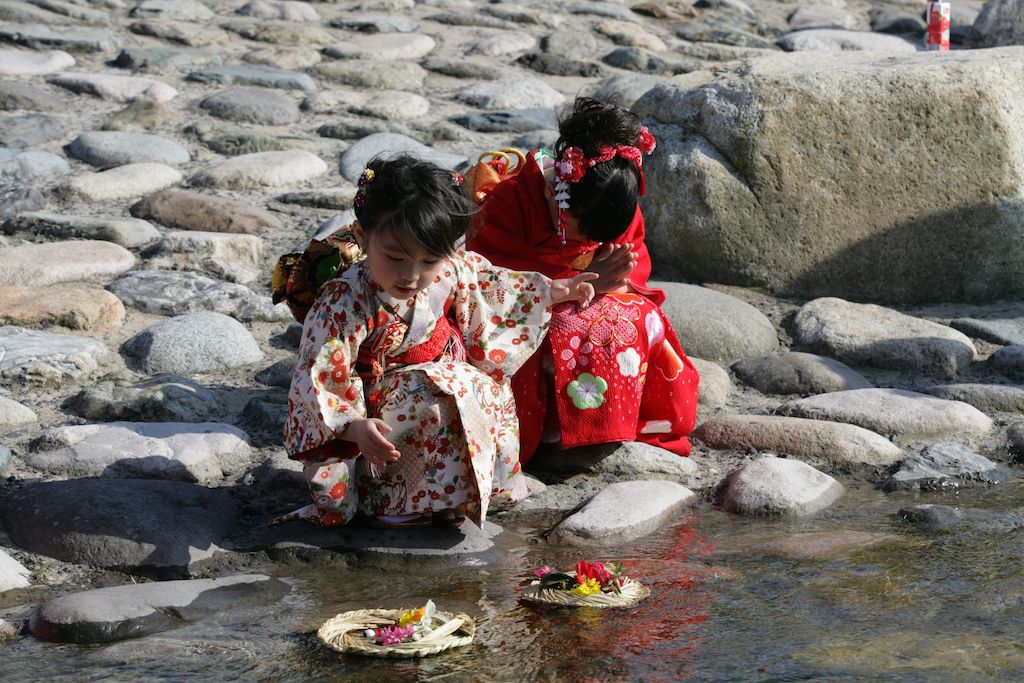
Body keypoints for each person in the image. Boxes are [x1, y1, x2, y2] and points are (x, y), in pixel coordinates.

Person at [275, 155, 596, 529]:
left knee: (484, 388)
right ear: (362, 236)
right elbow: (321, 377)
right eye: (395, 257)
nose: (411, 275)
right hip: (376, 410)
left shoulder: (451, 268)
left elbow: (492, 290)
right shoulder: (343, 301)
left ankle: (453, 496)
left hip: (437, 379)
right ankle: (393, 500)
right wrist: (352, 426)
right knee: (429, 395)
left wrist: (553, 290)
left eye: (429, 261)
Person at [467, 97, 700, 464]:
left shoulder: (611, 198)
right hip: (524, 311)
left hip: (596, 296)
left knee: (640, 318)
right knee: (563, 326)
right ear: (552, 192)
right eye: (578, 229)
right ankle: (555, 430)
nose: (586, 242)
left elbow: (632, 265)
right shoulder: (508, 202)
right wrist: (580, 284)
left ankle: (615, 422)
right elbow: (488, 285)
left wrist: (614, 285)